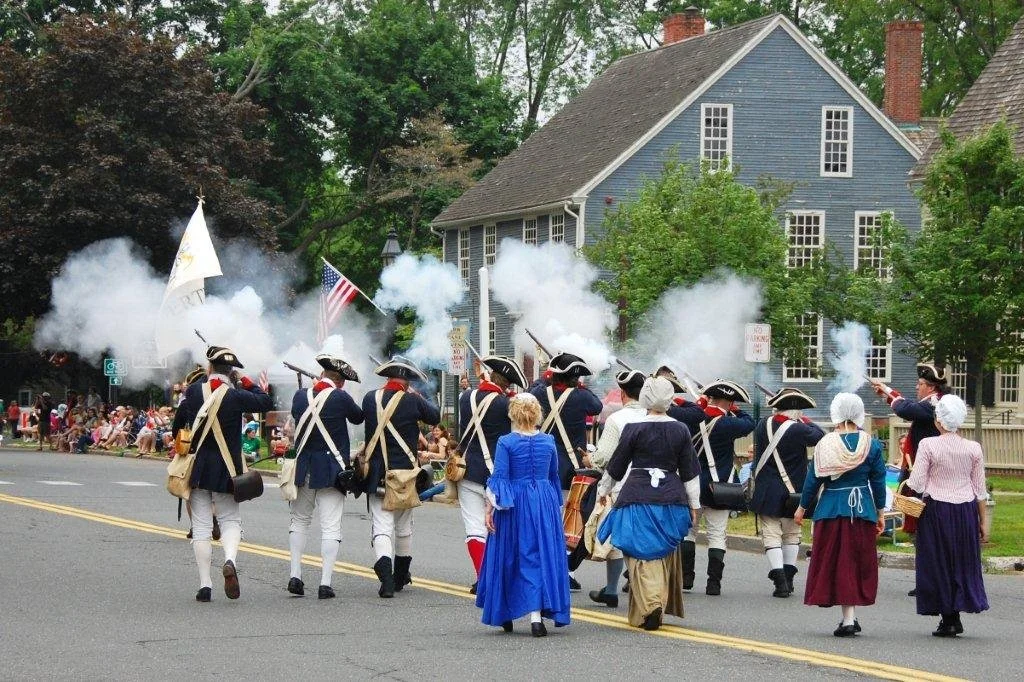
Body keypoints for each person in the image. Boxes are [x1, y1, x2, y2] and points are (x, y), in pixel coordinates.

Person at [596, 376, 701, 630]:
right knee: (662, 554)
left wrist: (603, 489)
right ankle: (654, 605)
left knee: (639, 554)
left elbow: (616, 466)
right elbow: (690, 471)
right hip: (671, 498)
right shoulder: (680, 429)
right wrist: (694, 505)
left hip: (636, 496)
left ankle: (651, 604)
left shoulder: (634, 427)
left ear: (645, 397)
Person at [179, 345, 273, 602]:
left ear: (209, 367)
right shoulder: (236, 395)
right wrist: (242, 380)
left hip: (199, 468)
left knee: (200, 527)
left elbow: (181, 420)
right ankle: (230, 560)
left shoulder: (194, 390)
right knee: (230, 520)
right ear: (230, 371)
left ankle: (205, 585)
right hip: (228, 468)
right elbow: (266, 401)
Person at [476, 392, 570, 636]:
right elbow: (552, 477)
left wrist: (489, 509)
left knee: (511, 554)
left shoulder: (506, 442)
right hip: (543, 501)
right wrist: (555, 509)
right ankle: (536, 617)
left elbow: (500, 478)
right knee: (539, 555)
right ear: (537, 413)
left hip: (515, 502)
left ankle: (505, 612)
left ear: (513, 414)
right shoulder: (549, 442)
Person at [794, 393, 886, 637]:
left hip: (832, 508)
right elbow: (877, 481)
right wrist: (880, 511)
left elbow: (813, 480)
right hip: (862, 509)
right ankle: (849, 617)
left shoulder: (827, 444)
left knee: (836, 563)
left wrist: (802, 507)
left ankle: (847, 618)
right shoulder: (872, 444)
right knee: (854, 563)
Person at [904, 394, 989, 637]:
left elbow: (918, 483)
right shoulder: (973, 448)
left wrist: (908, 479)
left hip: (936, 510)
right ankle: (956, 614)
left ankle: (948, 617)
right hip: (965, 510)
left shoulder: (929, 445)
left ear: (938, 420)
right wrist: (982, 521)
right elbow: (979, 490)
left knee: (938, 561)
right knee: (961, 561)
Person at [359, 357, 441, 598]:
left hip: (378, 474)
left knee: (381, 528)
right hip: (405, 474)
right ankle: (398, 578)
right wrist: (414, 395)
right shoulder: (412, 400)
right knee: (404, 527)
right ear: (407, 382)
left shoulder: (369, 398)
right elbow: (434, 416)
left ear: (387, 378)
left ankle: (386, 578)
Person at [287, 353, 365, 600]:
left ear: (322, 375)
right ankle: (325, 583)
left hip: (304, 468)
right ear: (341, 381)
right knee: (330, 527)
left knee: (299, 521)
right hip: (332, 469)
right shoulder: (341, 396)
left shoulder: (301, 396)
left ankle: (295, 575)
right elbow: (358, 417)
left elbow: (298, 413)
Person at [530, 351, 603, 591]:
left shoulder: (540, 392)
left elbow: (531, 392)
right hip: (572, 467)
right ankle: (563, 570)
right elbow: (596, 405)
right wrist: (580, 386)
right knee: (570, 524)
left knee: (550, 521)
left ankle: (549, 568)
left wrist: (546, 380)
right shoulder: (581, 396)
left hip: (544, 466)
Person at [675, 379, 755, 596]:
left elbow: (678, 409)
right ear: (729, 403)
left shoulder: (692, 418)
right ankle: (714, 584)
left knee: (689, 533)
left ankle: (686, 580)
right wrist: (736, 409)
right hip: (719, 487)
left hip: (692, 484)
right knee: (717, 534)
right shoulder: (729, 423)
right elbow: (750, 422)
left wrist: (697, 404)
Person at [456, 355, 527, 594]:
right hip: (497, 473)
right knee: (497, 530)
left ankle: (483, 578)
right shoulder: (507, 404)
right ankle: (497, 578)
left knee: (474, 529)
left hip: (467, 470)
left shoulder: (466, 398)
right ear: (508, 384)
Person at [749, 388, 825, 598]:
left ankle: (780, 581)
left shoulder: (762, 424)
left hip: (767, 490)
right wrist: (806, 420)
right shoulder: (799, 429)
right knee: (792, 534)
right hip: (793, 490)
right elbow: (820, 436)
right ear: (797, 411)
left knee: (771, 534)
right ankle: (788, 579)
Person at [589, 369, 649, 608]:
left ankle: (613, 589)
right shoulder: (656, 416)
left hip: (621, 484)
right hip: (651, 486)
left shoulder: (616, 419)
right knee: (641, 538)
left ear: (623, 393)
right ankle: (638, 588)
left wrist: (590, 460)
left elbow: (603, 457)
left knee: (615, 537)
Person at [872, 363, 948, 538]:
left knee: (922, 506)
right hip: (923, 463)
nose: (917, 386)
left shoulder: (934, 404)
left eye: (920, 383)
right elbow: (907, 406)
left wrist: (888, 391)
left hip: (927, 466)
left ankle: (923, 534)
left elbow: (905, 409)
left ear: (931, 387)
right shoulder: (931, 402)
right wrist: (887, 392)